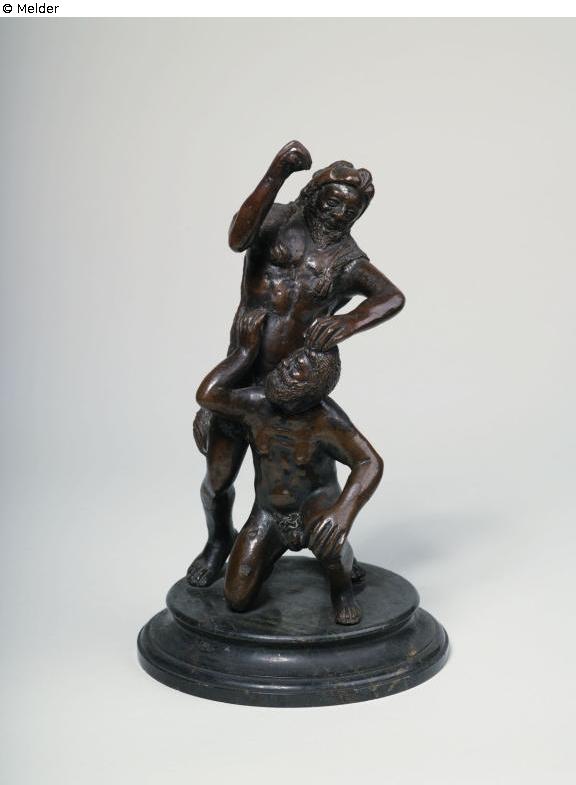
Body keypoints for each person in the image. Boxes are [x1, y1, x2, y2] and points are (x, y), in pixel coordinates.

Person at [187, 140, 404, 587]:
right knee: (218, 479)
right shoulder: (276, 218)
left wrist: (348, 322)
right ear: (314, 193)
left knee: (295, 473)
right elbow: (236, 238)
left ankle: (319, 543)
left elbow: (391, 296)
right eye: (332, 201)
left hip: (294, 385)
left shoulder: (346, 260)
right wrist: (277, 172)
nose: (338, 214)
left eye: (350, 209)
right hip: (243, 371)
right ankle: (218, 539)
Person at [196, 310, 384, 625]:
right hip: (268, 512)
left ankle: (341, 587)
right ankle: (272, 553)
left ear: (313, 389)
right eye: (289, 362)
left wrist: (343, 512)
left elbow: (369, 462)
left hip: (315, 506)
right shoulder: (257, 403)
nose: (285, 368)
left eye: (297, 370)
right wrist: (244, 353)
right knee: (236, 597)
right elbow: (208, 395)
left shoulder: (326, 419)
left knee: (329, 539)